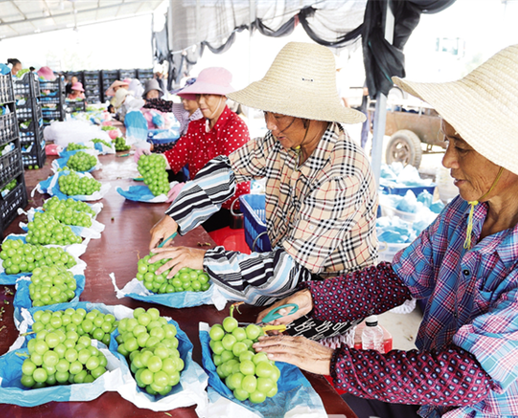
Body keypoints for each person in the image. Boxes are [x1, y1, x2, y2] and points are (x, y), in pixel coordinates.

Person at [253, 45, 518, 418]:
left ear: (513, 159)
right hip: (423, 397)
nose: (447, 160)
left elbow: (464, 378)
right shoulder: (467, 212)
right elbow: (397, 278)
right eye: (449, 142)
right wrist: (313, 299)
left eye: (461, 147)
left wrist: (332, 360)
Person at [148, 43, 377, 344]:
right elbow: (231, 169)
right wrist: (176, 217)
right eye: (268, 113)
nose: (270, 125)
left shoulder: (341, 173)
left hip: (331, 292)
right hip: (290, 267)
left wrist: (203, 259)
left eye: (280, 115)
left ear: (312, 113)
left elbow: (285, 273)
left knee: (257, 340)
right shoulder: (283, 140)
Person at [150, 67, 251, 231]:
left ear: (223, 96)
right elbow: (176, 156)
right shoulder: (196, 126)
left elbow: (230, 179)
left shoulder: (235, 128)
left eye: (207, 95)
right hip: (198, 206)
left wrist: (191, 190)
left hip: (226, 213)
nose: (201, 101)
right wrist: (151, 158)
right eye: (199, 95)